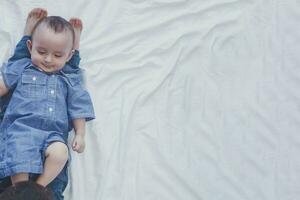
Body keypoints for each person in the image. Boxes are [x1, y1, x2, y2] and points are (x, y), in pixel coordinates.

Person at [0, 7, 94, 193]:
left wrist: (80, 134)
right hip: (22, 129)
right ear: (31, 48)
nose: (49, 59)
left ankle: (37, 189)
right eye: (41, 52)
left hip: (53, 135)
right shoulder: (24, 65)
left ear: (67, 56)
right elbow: (3, 84)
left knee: (61, 153)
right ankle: (19, 190)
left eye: (58, 55)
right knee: (18, 151)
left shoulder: (67, 78)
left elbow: (78, 106)